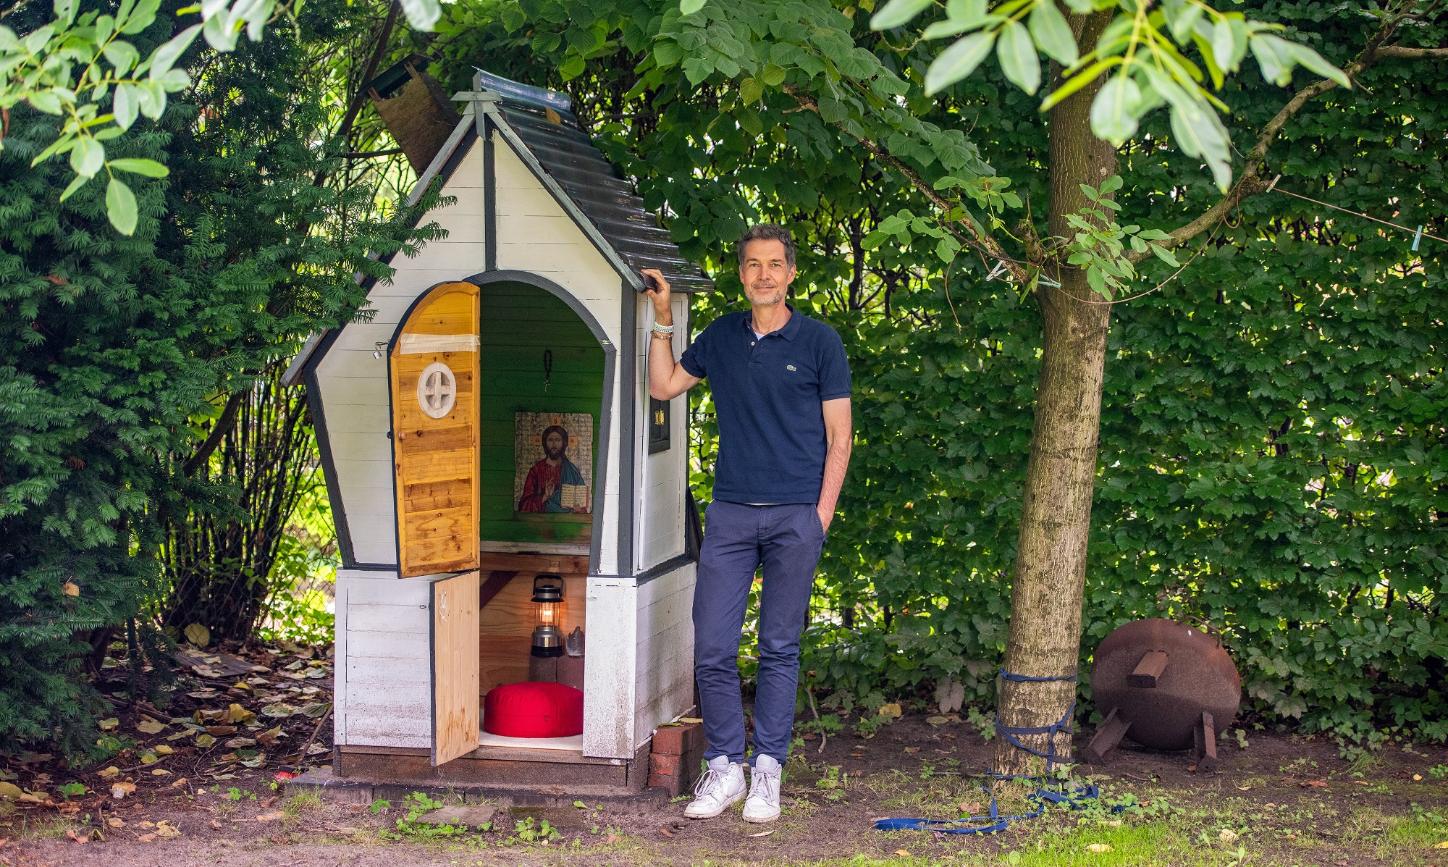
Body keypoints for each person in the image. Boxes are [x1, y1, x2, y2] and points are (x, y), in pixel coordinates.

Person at [643, 224, 852, 824]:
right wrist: (662, 317)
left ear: (790, 274)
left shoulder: (819, 342)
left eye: (775, 264)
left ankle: (767, 772)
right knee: (711, 647)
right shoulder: (721, 338)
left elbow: (840, 436)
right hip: (732, 514)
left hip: (795, 517)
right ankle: (725, 767)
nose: (764, 274)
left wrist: (820, 516)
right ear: (742, 275)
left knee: (779, 648)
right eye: (753, 265)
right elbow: (663, 385)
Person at [517, 425, 587, 513]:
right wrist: (545, 497)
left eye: (558, 440)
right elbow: (524, 506)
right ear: (545, 443)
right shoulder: (536, 470)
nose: (554, 444)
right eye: (550, 440)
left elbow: (583, 506)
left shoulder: (572, 471)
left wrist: (579, 509)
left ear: (563, 443)